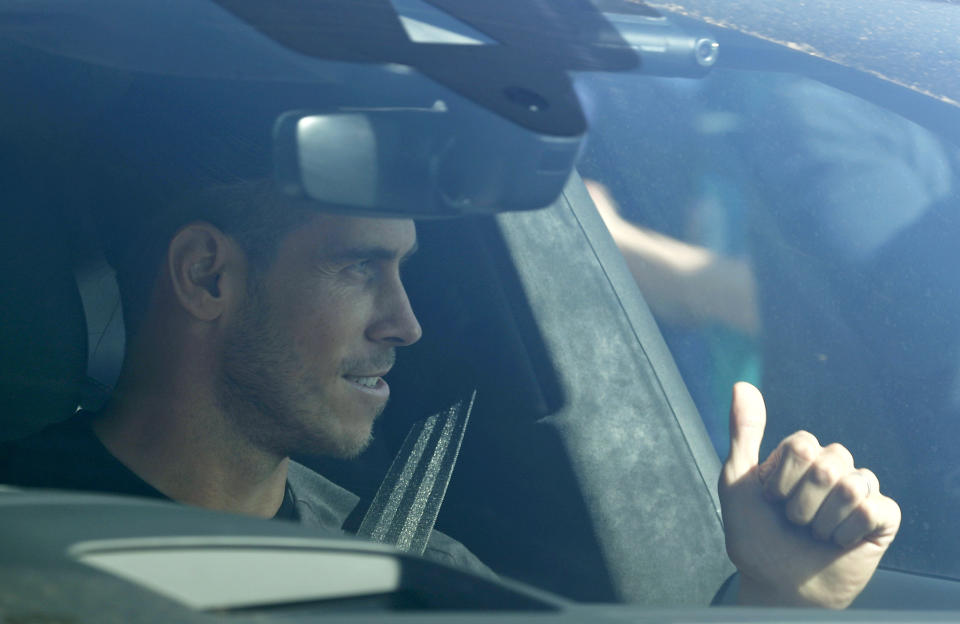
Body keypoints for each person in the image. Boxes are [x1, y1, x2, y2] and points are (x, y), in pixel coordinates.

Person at [0, 178, 900, 608]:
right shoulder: (20, 544)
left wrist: (783, 599)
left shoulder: (423, 578)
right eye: (360, 267)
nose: (405, 323)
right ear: (206, 275)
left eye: (404, 273)